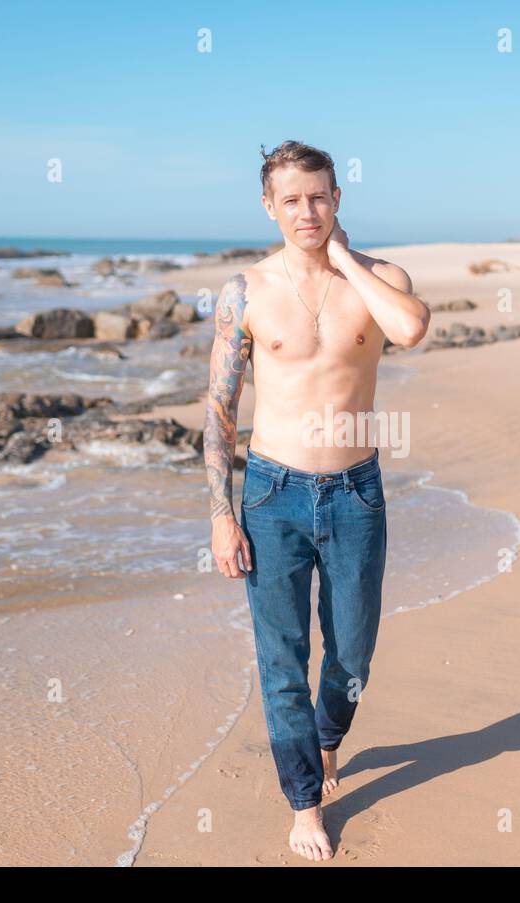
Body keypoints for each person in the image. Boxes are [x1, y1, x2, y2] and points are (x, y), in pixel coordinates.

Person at [203, 140, 430, 861]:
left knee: (354, 652)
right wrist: (219, 514)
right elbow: (218, 410)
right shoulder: (244, 292)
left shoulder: (378, 278)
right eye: (293, 200)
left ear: (337, 199)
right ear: (269, 206)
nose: (308, 211)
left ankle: (328, 739)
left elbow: (412, 329)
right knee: (282, 658)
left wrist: (349, 261)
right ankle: (304, 803)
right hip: (272, 492)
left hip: (356, 491)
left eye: (320, 196)